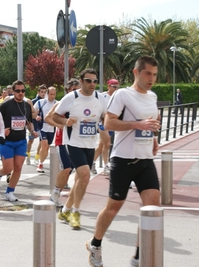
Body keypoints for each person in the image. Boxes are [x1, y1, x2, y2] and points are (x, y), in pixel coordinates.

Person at [86, 56, 161, 267]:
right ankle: (95, 244)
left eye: (155, 75)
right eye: (148, 74)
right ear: (136, 73)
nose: (151, 79)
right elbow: (109, 123)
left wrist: (153, 137)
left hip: (145, 159)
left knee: (152, 206)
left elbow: (151, 122)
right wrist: (138, 125)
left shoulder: (153, 96)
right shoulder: (122, 94)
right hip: (123, 159)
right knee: (113, 207)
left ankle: (139, 255)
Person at [52, 69, 107, 230]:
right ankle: (75, 214)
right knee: (84, 175)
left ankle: (65, 209)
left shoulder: (100, 98)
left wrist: (105, 122)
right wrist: (66, 121)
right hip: (73, 142)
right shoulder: (71, 98)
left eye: (95, 81)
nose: (92, 84)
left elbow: (105, 116)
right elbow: (55, 116)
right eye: (89, 81)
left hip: (90, 143)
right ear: (81, 81)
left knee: (80, 180)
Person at [0, 80, 38, 201]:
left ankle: (9, 192)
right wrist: (1, 130)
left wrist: (32, 131)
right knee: (8, 168)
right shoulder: (6, 104)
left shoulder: (27, 105)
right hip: (7, 141)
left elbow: (28, 122)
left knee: (18, 167)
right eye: (18, 91)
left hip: (21, 141)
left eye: (23, 91)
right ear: (13, 91)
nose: (21, 93)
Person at [44, 79, 80, 209]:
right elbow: (47, 117)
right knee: (66, 168)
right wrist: (61, 124)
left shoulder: (82, 104)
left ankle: (61, 196)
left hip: (77, 142)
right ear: (68, 90)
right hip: (62, 140)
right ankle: (54, 195)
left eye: (78, 89)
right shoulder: (62, 103)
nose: (77, 92)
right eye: (74, 89)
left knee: (71, 170)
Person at [91, 79, 119, 175]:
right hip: (102, 123)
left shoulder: (117, 97)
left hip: (111, 124)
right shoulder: (102, 96)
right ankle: (106, 166)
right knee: (107, 143)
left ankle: (92, 162)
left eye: (117, 87)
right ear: (109, 86)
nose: (115, 89)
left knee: (102, 145)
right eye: (114, 86)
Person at [34, 86, 57, 172]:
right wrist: (36, 116)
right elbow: (33, 112)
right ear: (47, 94)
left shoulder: (57, 103)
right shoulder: (41, 102)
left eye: (54, 94)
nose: (52, 96)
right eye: (51, 94)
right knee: (44, 144)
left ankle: (41, 161)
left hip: (52, 127)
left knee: (47, 147)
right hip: (42, 126)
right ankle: (40, 164)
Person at [26, 84, 46, 165]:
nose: (43, 94)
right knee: (31, 141)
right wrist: (34, 114)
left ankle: (37, 158)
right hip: (33, 124)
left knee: (42, 142)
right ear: (38, 92)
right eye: (42, 92)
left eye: (45, 92)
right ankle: (28, 156)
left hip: (42, 125)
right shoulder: (33, 101)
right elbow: (28, 114)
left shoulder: (46, 101)